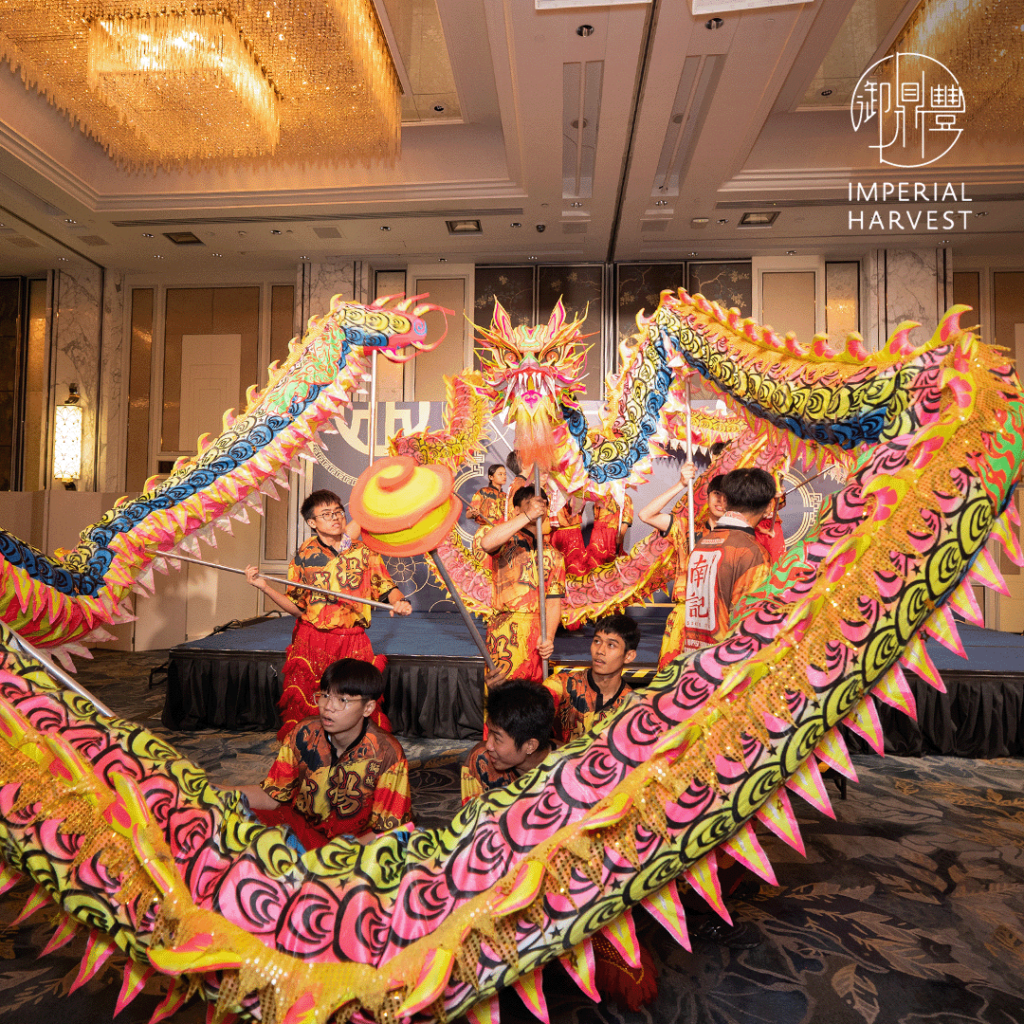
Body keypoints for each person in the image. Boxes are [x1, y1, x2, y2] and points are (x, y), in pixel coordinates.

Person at [246, 489, 412, 740]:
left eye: (338, 512)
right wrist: (264, 587)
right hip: (312, 641)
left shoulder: (364, 552)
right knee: (312, 707)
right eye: (326, 514)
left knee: (356, 704)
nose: (335, 518)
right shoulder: (304, 555)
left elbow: (388, 588)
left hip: (353, 641)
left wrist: (400, 602)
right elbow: (297, 607)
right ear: (312, 523)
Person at [233, 659, 412, 849]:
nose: (328, 706)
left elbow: (390, 830)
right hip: (299, 830)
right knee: (228, 817)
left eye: (342, 700)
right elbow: (273, 795)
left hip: (352, 847)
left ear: (368, 708)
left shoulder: (387, 754)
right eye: (325, 695)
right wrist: (215, 791)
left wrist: (333, 856)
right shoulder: (304, 733)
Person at [474, 484, 565, 684]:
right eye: (531, 504)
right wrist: (527, 516)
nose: (538, 509)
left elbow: (553, 602)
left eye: (542, 505)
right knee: (503, 700)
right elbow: (487, 543)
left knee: (534, 699)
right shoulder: (505, 540)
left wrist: (548, 638)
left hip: (537, 636)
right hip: (506, 632)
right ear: (516, 510)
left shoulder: (554, 555)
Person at [684, 467, 774, 651]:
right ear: (770, 506)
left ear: (725, 500)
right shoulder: (752, 552)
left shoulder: (702, 544)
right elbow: (751, 624)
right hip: (726, 666)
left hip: (694, 661)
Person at [636, 462, 698, 668]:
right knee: (670, 676)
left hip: (715, 615)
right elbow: (646, 515)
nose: (718, 501)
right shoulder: (684, 527)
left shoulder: (731, 534)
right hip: (683, 612)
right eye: (713, 494)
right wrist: (680, 484)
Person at [548, 614, 642, 743]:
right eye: (597, 641)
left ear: (629, 656)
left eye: (611, 645)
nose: (600, 651)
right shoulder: (560, 685)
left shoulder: (633, 706)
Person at [460, 680, 555, 803]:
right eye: (490, 732)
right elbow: (472, 818)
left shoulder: (569, 771)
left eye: (497, 738)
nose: (488, 745)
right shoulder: (481, 760)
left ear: (530, 745)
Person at [587, 491, 634, 565]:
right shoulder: (600, 497)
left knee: (612, 557)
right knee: (595, 556)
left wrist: (621, 534)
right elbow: (596, 516)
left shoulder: (625, 498)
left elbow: (626, 520)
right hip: (598, 531)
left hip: (612, 532)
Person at [466, 463, 507, 529]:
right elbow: (468, 515)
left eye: (505, 474)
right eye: (500, 474)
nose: (504, 476)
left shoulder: (506, 497)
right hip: (485, 532)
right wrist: (473, 513)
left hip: (501, 533)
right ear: (491, 477)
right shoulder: (483, 492)